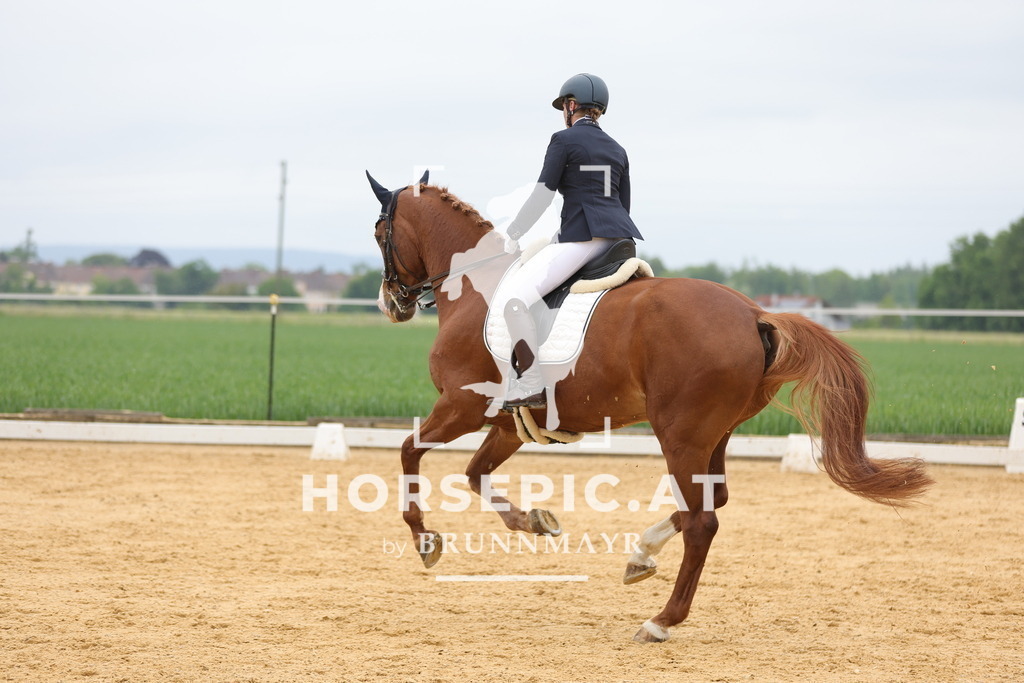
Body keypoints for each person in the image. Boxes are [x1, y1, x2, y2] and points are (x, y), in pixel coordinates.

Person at [496, 73, 643, 411]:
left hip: (584, 240)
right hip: (620, 239)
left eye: (564, 105)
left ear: (571, 105)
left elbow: (544, 194)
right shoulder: (618, 149)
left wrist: (515, 231)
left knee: (515, 300)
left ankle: (530, 382)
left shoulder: (563, 140)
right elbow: (624, 203)